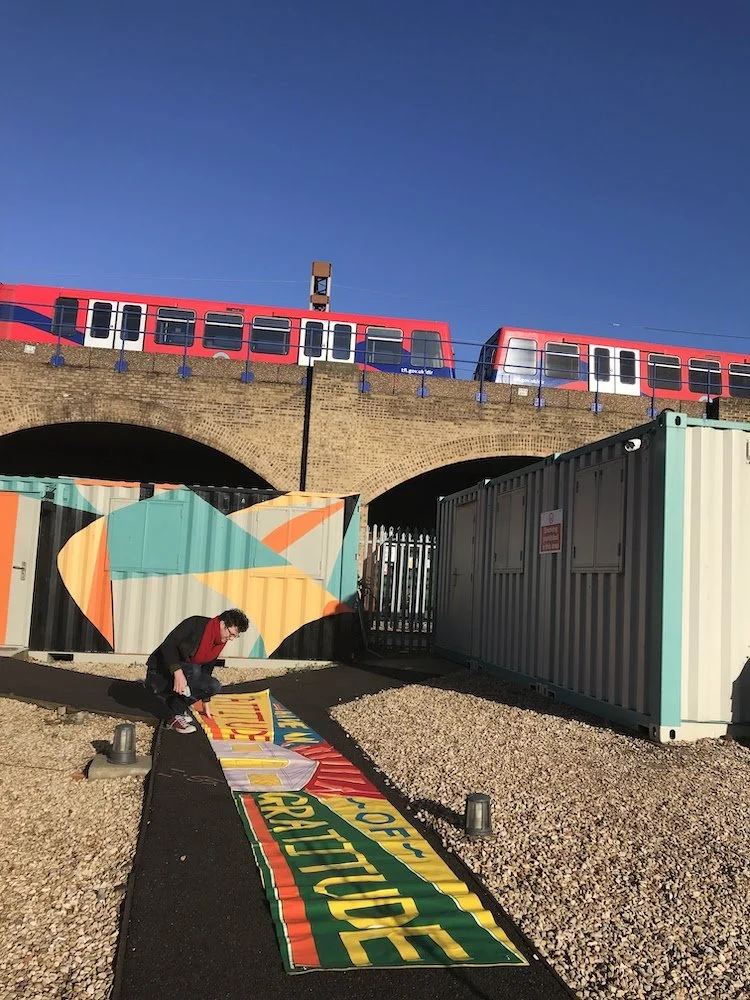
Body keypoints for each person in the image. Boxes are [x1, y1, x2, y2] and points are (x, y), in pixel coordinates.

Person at [145, 609, 250, 733]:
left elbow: (207, 668)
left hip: (185, 675)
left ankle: (177, 707)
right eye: (231, 634)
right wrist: (177, 671)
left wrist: (205, 699)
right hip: (159, 674)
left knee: (213, 686)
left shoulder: (219, 641)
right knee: (194, 670)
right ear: (222, 624)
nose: (231, 639)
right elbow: (168, 646)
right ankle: (174, 716)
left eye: (235, 636)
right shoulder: (195, 624)